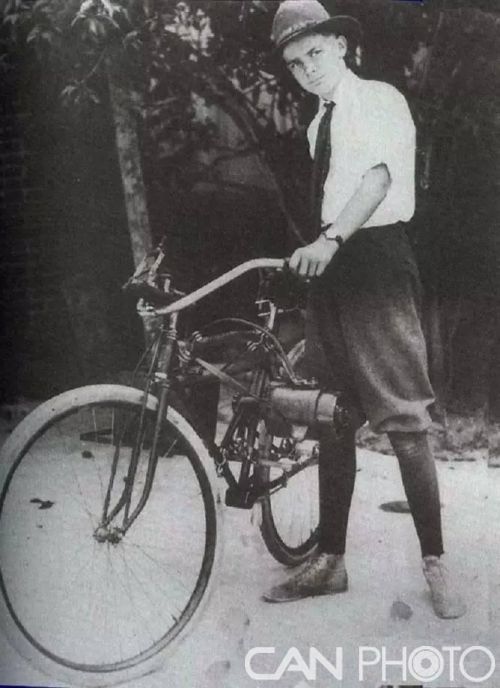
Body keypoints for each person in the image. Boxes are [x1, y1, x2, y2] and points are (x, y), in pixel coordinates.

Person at [263, 0, 466, 619]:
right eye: (295, 64)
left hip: (375, 262)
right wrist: (321, 252)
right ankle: (330, 560)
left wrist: (329, 241)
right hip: (334, 270)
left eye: (315, 53)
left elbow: (377, 180)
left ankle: (436, 563)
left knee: (404, 418)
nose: (307, 69)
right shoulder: (316, 124)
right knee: (331, 414)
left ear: (341, 46)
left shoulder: (379, 100)